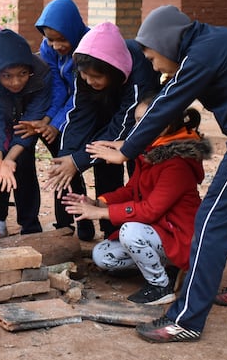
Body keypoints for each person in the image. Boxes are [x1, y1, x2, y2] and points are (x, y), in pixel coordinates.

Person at [88, 5, 227, 343]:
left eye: (154, 58)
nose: (156, 68)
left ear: (167, 42)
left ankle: (186, 319)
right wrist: (128, 141)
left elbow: (168, 103)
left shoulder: (200, 55)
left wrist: (127, 150)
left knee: (212, 220)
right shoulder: (214, 41)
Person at [63, 94, 210, 305]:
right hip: (158, 231)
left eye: (145, 120)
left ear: (166, 122)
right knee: (102, 255)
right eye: (137, 121)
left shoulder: (177, 162)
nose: (138, 127)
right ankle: (168, 266)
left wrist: (102, 213)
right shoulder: (151, 151)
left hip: (178, 235)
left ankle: (160, 286)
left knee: (130, 231)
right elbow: (133, 190)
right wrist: (98, 203)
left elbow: (150, 210)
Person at [45, 22, 161, 239]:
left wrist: (78, 161)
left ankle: (134, 232)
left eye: (96, 76)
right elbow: (80, 115)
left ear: (114, 70)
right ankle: (97, 230)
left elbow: (124, 125)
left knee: (136, 171)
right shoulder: (87, 74)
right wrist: (66, 158)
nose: (89, 81)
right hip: (107, 110)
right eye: (85, 76)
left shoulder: (139, 74)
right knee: (91, 162)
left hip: (140, 124)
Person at [0, 29, 51, 238]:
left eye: (22, 74)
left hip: (27, 126)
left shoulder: (42, 76)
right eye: (7, 76)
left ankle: (30, 226)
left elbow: (31, 122)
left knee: (24, 164)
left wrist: (10, 160)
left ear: (30, 70)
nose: (16, 82)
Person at [29, 0, 92, 239]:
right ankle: (64, 225)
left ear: (73, 30)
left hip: (88, 111)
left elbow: (79, 94)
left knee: (72, 163)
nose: (56, 46)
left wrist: (56, 124)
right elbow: (57, 87)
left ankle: (89, 221)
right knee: (61, 164)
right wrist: (48, 119)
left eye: (61, 39)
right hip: (64, 110)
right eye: (50, 39)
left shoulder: (88, 46)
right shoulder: (48, 48)